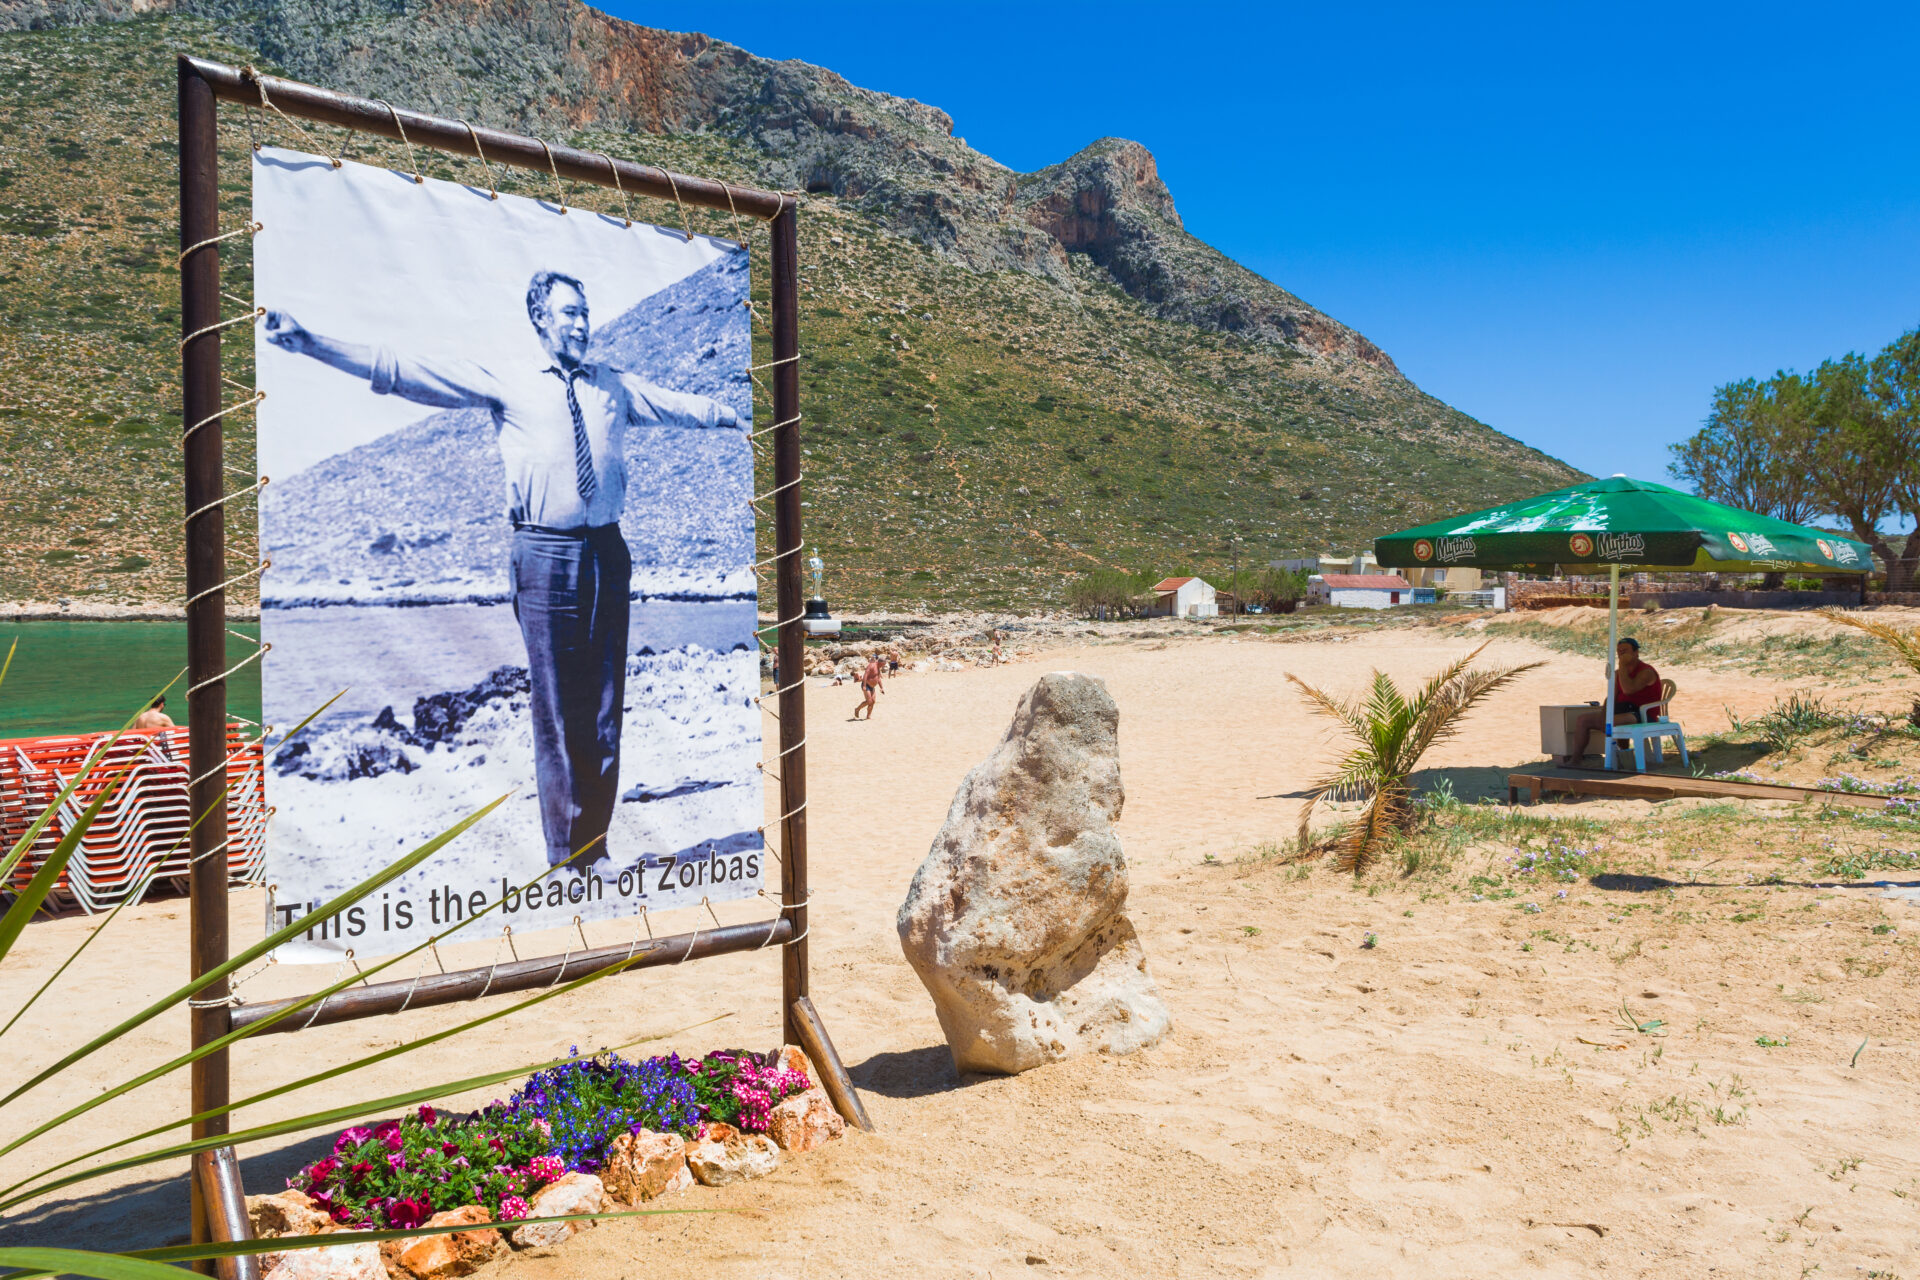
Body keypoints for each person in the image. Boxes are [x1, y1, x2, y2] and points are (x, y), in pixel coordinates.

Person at [263, 272, 745, 874]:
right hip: (543, 555)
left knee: (603, 707)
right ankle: (564, 855)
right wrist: (313, 343)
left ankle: (595, 849)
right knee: (556, 707)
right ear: (540, 320)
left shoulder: (612, 385)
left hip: (607, 552)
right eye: (567, 312)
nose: (579, 323)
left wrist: (736, 416)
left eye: (585, 312)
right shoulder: (508, 380)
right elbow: (409, 371)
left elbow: (681, 407)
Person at [1559, 638, 1663, 767]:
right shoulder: (1618, 673)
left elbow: (1628, 689)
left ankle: (1624, 753)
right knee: (1583, 720)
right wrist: (1604, 715)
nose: (1621, 654)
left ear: (1636, 653)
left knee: (1613, 722)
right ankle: (1575, 760)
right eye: (1619, 652)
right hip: (1623, 710)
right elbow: (1610, 698)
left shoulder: (1646, 672)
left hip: (1643, 714)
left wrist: (1622, 666)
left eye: (1625, 651)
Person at [852, 654, 884, 720]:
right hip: (866, 685)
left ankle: (868, 716)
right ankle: (857, 709)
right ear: (880, 662)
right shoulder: (871, 665)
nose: (883, 666)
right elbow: (865, 675)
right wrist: (864, 685)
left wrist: (881, 687)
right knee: (869, 701)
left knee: (873, 701)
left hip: (872, 687)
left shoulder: (878, 668)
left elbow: (878, 678)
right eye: (882, 665)